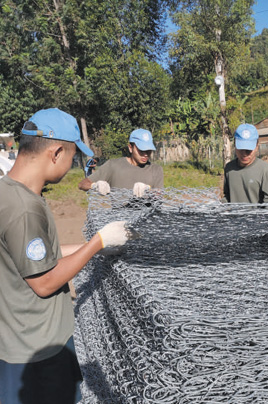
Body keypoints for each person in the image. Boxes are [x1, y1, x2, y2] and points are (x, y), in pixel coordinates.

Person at [0, 108, 135, 403]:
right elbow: (44, 280)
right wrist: (98, 241)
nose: (72, 165)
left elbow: (30, 259)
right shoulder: (25, 208)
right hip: (38, 353)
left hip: (18, 342)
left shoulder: (8, 191)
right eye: (73, 157)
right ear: (56, 152)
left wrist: (95, 247)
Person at [78, 129, 163, 197]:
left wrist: (148, 190)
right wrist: (94, 186)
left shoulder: (156, 169)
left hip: (147, 217)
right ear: (130, 148)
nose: (145, 154)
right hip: (119, 217)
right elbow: (82, 184)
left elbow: (159, 195)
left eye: (148, 150)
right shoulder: (113, 165)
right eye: (141, 150)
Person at [222, 123, 268, 204]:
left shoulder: (265, 170)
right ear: (235, 145)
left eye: (248, 150)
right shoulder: (229, 169)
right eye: (241, 149)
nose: (244, 154)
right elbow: (227, 197)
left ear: (257, 147)